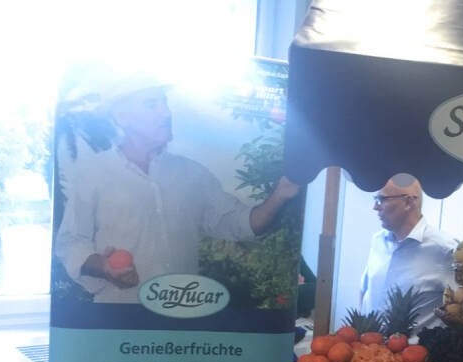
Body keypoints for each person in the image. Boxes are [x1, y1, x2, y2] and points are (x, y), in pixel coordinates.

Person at [55, 77, 300, 303]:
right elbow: (71, 242)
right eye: (152, 104)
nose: (166, 112)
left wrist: (280, 195)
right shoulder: (93, 174)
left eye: (165, 103)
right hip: (118, 320)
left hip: (182, 319)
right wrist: (103, 266)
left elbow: (238, 223)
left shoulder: (192, 173)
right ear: (122, 117)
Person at [359, 176, 456, 332]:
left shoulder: (444, 250)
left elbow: (461, 310)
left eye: (382, 199)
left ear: (409, 202)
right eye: (375, 199)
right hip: (370, 345)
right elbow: (365, 291)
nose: (375, 207)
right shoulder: (377, 241)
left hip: (417, 346)